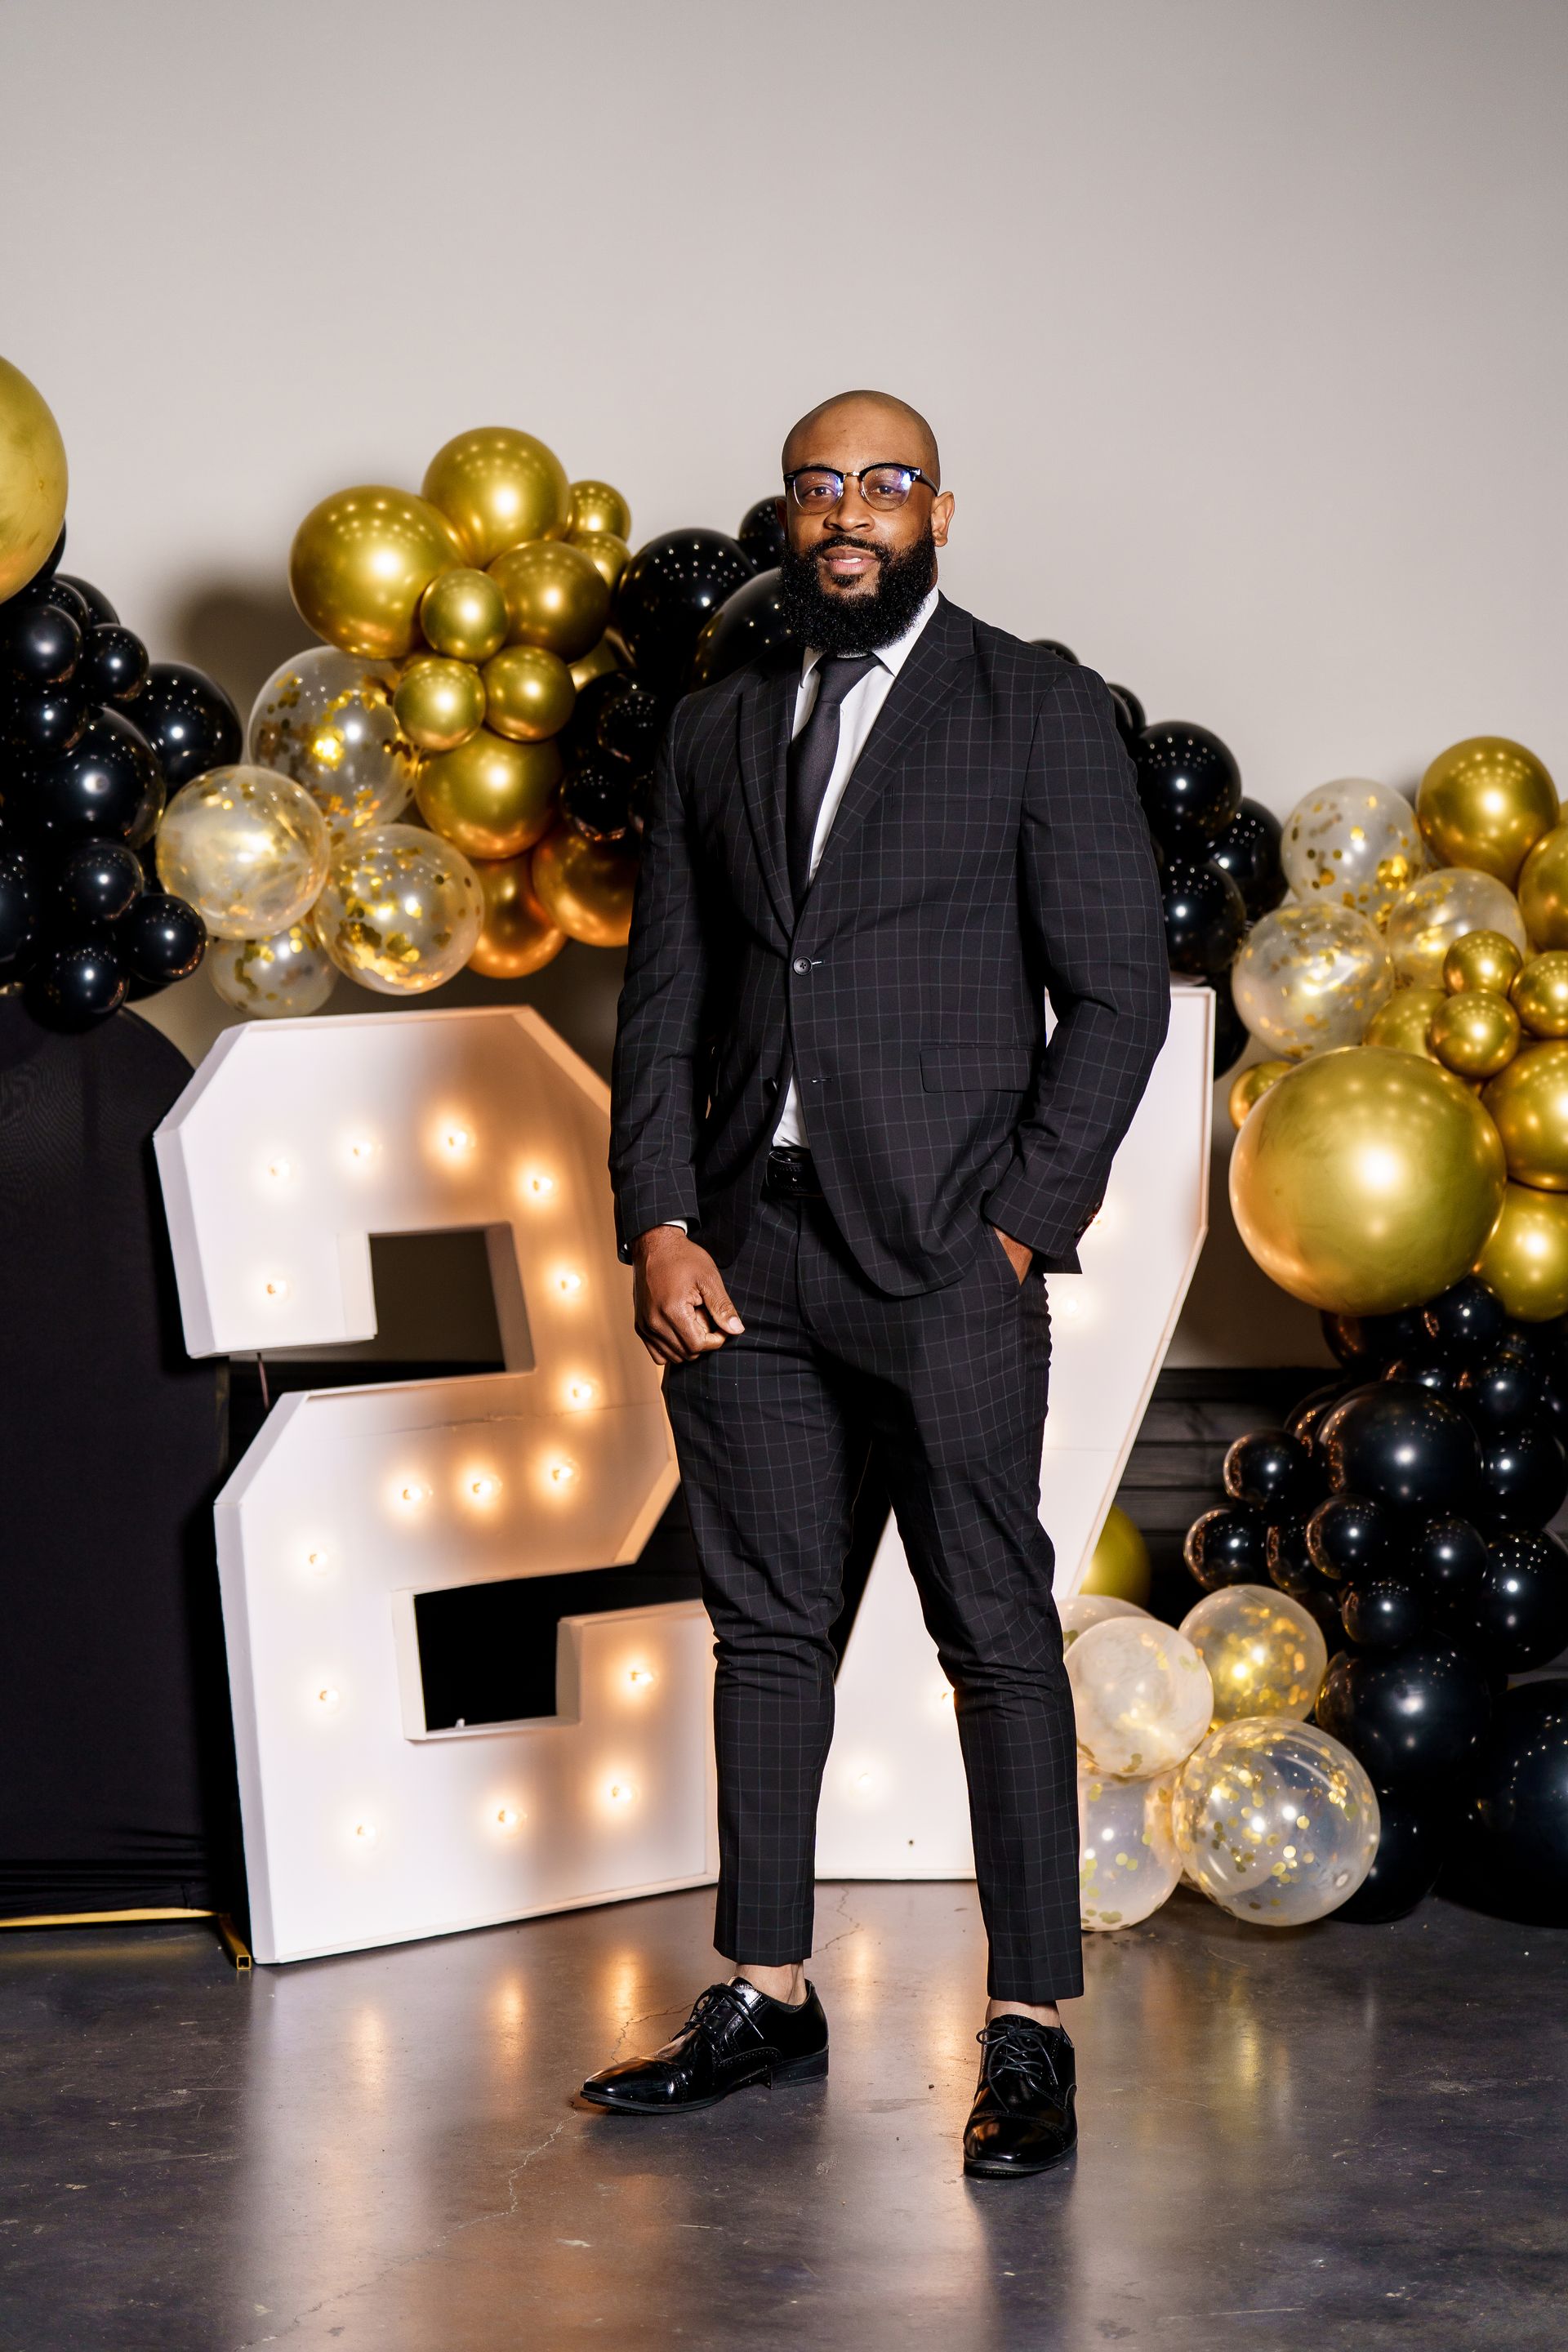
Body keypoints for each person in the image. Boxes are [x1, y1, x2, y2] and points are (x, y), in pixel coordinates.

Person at [585, 389, 1168, 2176]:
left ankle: (1030, 2023)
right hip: (743, 1254)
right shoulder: (716, 727)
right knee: (766, 1634)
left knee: (994, 1635)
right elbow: (667, 1000)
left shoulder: (1036, 706)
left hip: (942, 1259)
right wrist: (657, 1220)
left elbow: (1119, 994)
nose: (851, 512)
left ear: (940, 511)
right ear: (788, 515)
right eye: (820, 486)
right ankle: (765, 1988)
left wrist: (1019, 1224)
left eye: (886, 484)